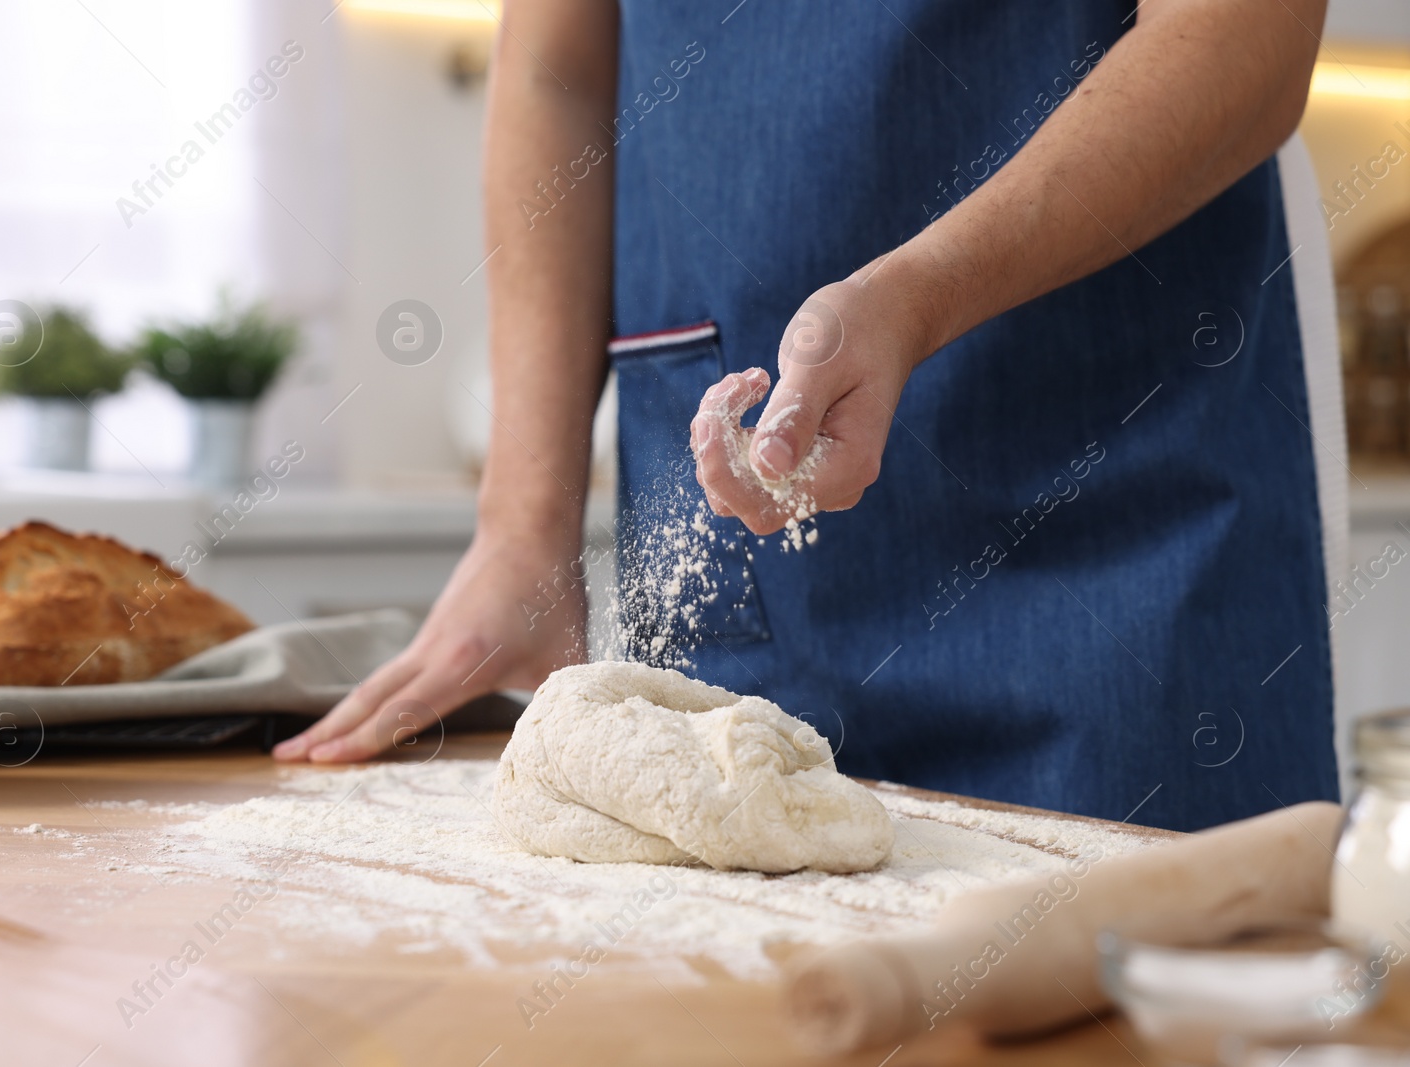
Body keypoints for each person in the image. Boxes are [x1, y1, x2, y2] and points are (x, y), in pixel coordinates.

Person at [277, 0, 1345, 833]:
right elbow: (556, 70)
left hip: (1116, 538)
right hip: (745, 577)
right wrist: (521, 529)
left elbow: (1239, 38)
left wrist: (919, 294)